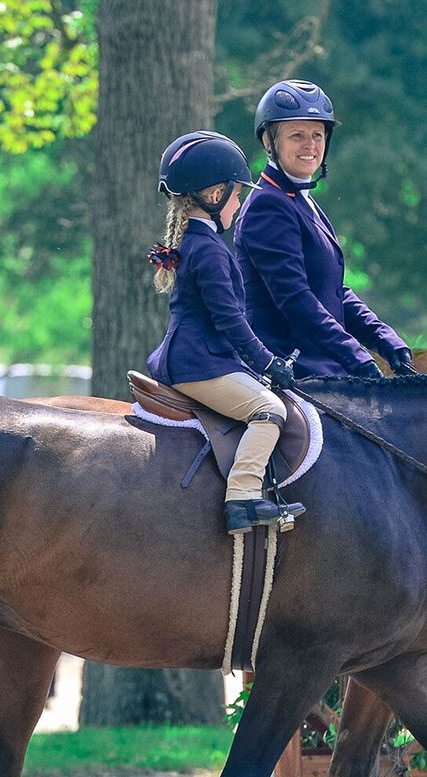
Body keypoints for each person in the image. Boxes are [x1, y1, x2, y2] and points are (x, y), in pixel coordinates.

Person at [145, 130, 301, 535]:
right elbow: (230, 320)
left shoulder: (197, 242)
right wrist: (269, 363)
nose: (240, 202)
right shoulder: (210, 250)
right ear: (214, 196)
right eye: (235, 195)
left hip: (194, 356)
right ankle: (243, 497)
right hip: (199, 363)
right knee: (271, 411)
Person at [234, 79, 415, 380]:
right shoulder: (268, 206)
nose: (311, 146)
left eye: (318, 135)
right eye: (297, 135)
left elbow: (333, 291)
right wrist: (356, 357)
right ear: (269, 141)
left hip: (322, 367)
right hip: (287, 370)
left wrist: (386, 340)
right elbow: (295, 299)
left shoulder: (301, 201)